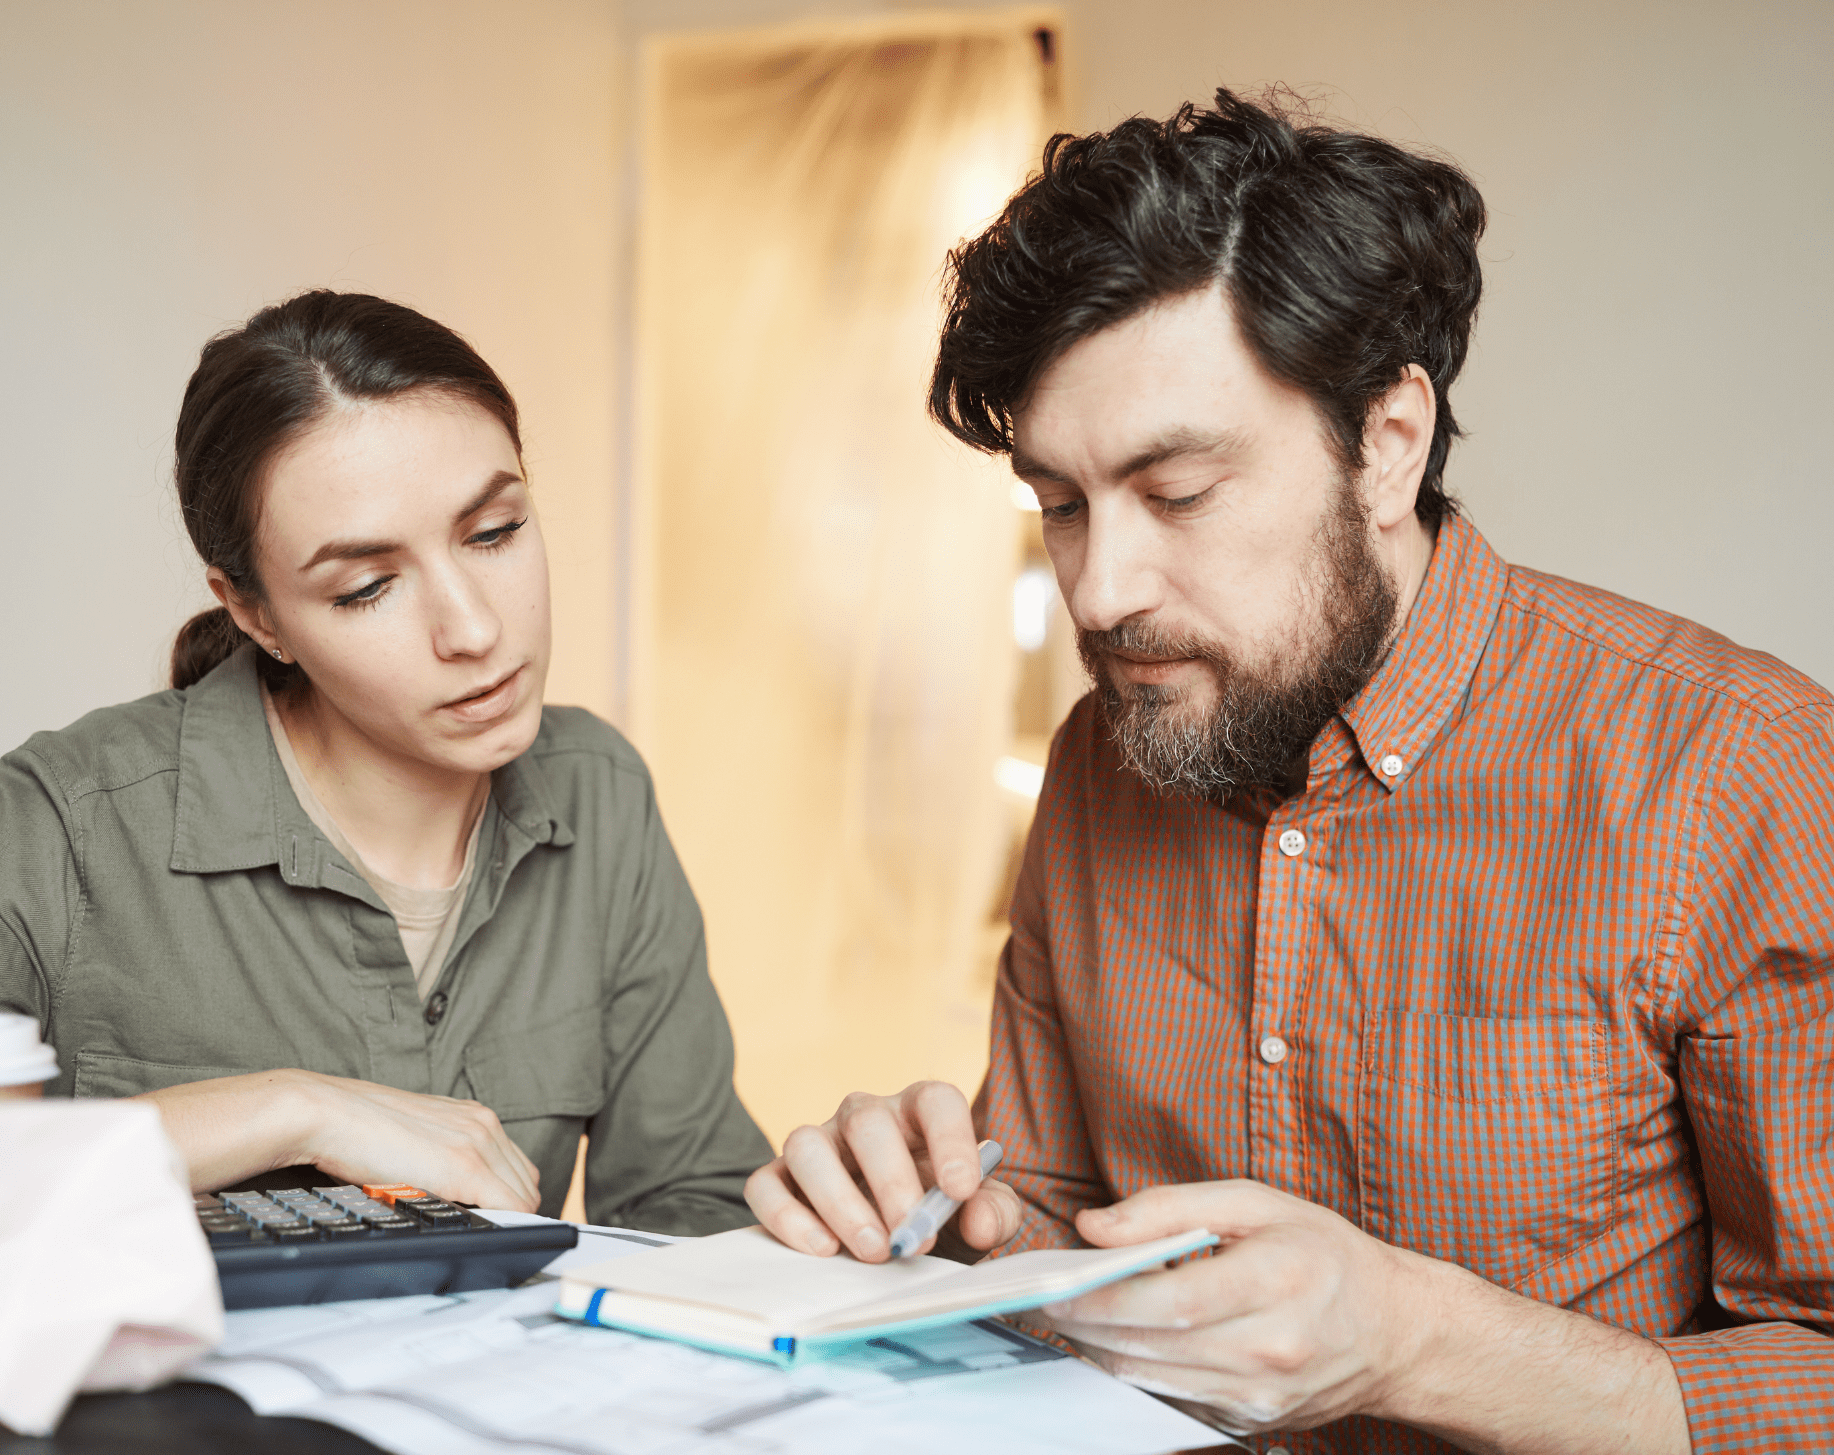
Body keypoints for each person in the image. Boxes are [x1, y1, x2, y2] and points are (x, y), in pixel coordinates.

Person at [746, 92, 1833, 1452]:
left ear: (1386, 442)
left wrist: (1416, 1342)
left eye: (1179, 494)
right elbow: (1047, 1234)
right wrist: (912, 1221)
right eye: (1060, 507)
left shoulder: (1736, 772)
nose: (1099, 592)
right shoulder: (1107, 751)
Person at [0, 289, 772, 1330]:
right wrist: (283, 1111)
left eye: (496, 531)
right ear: (256, 614)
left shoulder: (602, 793)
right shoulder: (85, 821)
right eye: (367, 587)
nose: (473, 629)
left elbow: (693, 1214)